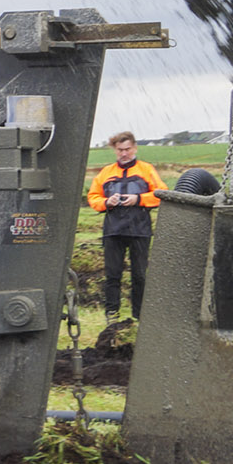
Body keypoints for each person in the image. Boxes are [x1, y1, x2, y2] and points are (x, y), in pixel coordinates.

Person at [87, 131, 166, 321]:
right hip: (113, 231)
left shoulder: (146, 170)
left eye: (128, 149)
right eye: (120, 150)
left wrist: (138, 199)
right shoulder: (105, 172)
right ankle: (111, 316)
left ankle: (139, 317)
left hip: (140, 230)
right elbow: (93, 197)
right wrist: (107, 202)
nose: (124, 153)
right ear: (115, 150)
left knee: (139, 276)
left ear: (135, 148)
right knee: (112, 275)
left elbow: (163, 194)